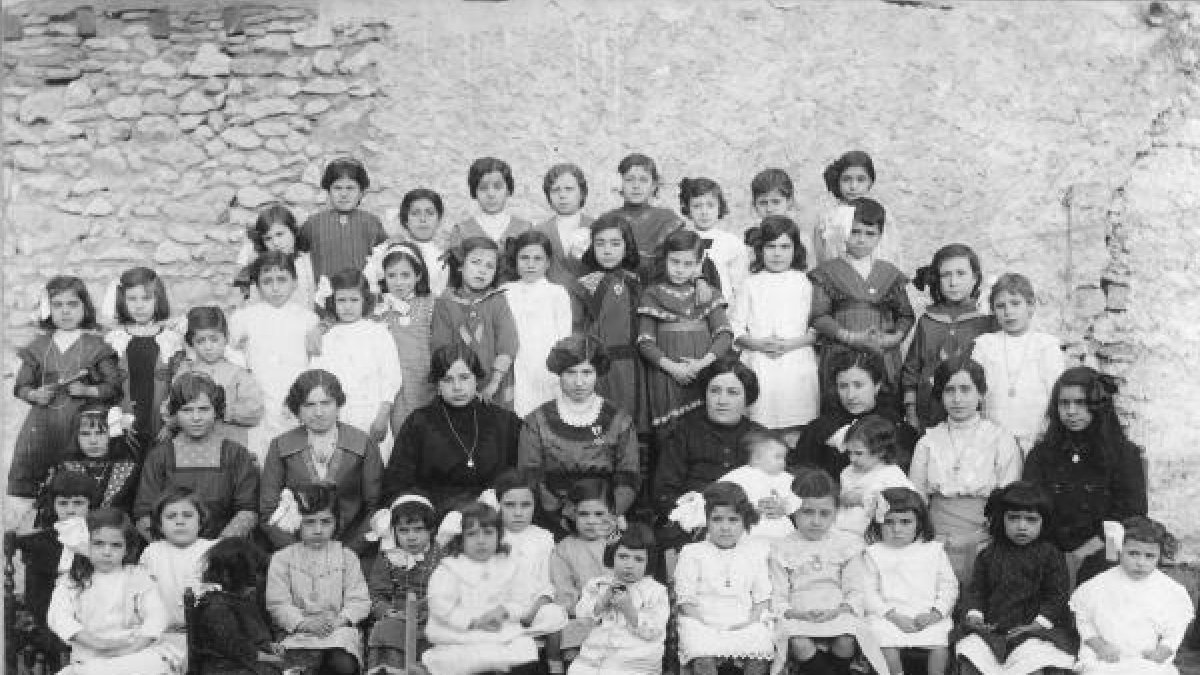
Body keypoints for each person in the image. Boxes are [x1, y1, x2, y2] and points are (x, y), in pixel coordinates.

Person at [9, 275, 122, 519]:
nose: (65, 311)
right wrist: (34, 394)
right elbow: (20, 386)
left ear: (85, 308)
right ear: (48, 309)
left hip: (82, 428)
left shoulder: (97, 346)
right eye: (58, 305)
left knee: (78, 490)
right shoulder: (38, 347)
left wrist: (88, 391)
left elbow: (113, 387)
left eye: (72, 304)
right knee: (36, 491)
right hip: (42, 427)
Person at [1023, 366, 1147, 584]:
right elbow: (1031, 507)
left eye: (1081, 403)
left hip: (1107, 547)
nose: (1071, 411)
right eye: (1064, 403)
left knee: (1104, 570)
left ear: (1098, 406)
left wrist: (1085, 552)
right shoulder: (1040, 455)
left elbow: (1132, 514)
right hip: (1052, 549)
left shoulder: (1123, 454)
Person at [422, 500, 567, 675]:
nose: (481, 541)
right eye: (473, 534)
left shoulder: (507, 566)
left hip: (499, 630)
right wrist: (473, 621)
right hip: (459, 634)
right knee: (472, 658)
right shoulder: (449, 569)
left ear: (499, 536)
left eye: (488, 533)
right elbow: (441, 606)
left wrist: (504, 611)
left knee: (524, 648)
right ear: (461, 539)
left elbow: (519, 600)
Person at [909, 357, 1021, 580]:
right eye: (949, 390)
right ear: (940, 395)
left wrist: (986, 535)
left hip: (985, 538)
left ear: (980, 394)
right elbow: (917, 494)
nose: (957, 399)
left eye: (965, 389)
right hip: (936, 538)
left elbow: (1010, 495)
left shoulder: (1000, 438)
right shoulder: (929, 440)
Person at [518, 335, 640, 533]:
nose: (579, 382)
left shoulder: (619, 419)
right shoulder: (537, 420)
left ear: (597, 373)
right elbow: (531, 477)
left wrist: (606, 514)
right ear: (559, 374)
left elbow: (628, 476)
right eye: (570, 372)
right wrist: (567, 516)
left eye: (587, 372)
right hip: (553, 519)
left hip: (605, 517)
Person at [769, 469, 885, 675]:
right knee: (798, 641)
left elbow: (854, 589)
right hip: (799, 614)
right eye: (807, 512)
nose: (815, 521)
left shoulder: (846, 544)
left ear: (836, 512)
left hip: (838, 612)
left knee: (847, 638)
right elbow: (778, 594)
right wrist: (797, 613)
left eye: (824, 513)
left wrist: (839, 610)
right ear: (794, 511)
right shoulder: (782, 547)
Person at [955, 482, 1077, 675]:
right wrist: (975, 616)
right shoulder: (989, 554)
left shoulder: (1051, 555)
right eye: (1013, 518)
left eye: (1031, 520)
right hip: (992, 630)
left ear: (1044, 522)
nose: (1022, 526)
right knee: (971, 659)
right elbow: (977, 590)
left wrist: (1035, 625)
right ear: (1001, 519)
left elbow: (1056, 597)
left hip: (1036, 630)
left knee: (1032, 666)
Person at [260, 369, 383, 556]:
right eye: (309, 405)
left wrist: (347, 552)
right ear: (297, 409)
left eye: (326, 403)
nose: (318, 412)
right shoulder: (280, 446)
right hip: (295, 552)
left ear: (338, 404)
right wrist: (298, 553)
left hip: (351, 552)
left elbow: (374, 507)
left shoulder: (363, 443)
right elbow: (268, 511)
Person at [809, 198, 914, 412]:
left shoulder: (889, 272)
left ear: (880, 236)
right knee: (840, 409)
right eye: (855, 232)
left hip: (881, 353)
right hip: (841, 351)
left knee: (883, 410)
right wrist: (850, 337)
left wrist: (894, 337)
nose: (861, 240)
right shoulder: (828, 271)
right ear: (843, 232)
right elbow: (819, 316)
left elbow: (906, 315)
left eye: (870, 234)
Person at [654, 358, 768, 554]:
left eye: (732, 392)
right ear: (705, 394)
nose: (722, 400)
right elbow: (664, 492)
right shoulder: (683, 432)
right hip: (693, 525)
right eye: (715, 391)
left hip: (749, 524)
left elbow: (777, 488)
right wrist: (695, 518)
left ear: (747, 398)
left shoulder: (761, 438)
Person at [384, 345, 522, 507]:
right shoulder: (419, 423)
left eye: (464, 378)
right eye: (447, 380)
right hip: (436, 518)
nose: (457, 387)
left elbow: (522, 478)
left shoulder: (504, 421)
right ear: (437, 385)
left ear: (476, 379)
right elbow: (398, 483)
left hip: (492, 520)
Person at [47, 508, 178, 675]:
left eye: (116, 545)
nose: (107, 552)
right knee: (94, 670)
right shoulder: (73, 581)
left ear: (126, 549)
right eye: (98, 543)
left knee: (153, 664)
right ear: (85, 544)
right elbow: (59, 617)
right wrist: (97, 643)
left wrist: (133, 648)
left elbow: (157, 615)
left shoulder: (137, 577)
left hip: (133, 651)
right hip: (91, 653)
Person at [134, 373, 259, 541]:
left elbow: (247, 510)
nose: (196, 418)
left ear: (216, 411)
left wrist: (215, 550)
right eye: (187, 410)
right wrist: (173, 549)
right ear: (175, 413)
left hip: (222, 553)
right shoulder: (159, 456)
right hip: (171, 552)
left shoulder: (236, 454)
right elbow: (144, 514)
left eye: (204, 409)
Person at [266, 482, 371, 675]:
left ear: (336, 522)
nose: (318, 530)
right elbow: (277, 604)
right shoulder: (282, 559)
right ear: (297, 522)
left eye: (326, 521)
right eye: (309, 522)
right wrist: (303, 623)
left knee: (342, 665)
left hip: (337, 630)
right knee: (298, 668)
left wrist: (339, 621)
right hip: (297, 632)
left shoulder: (347, 557)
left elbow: (359, 600)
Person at [1070, 516, 1194, 675]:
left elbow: (1176, 628)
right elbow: (1084, 620)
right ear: (1121, 550)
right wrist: (1099, 646)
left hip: (1147, 658)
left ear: (1159, 556)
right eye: (1133, 553)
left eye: (1149, 556)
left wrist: (1163, 650)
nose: (1141, 562)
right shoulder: (1098, 585)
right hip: (1106, 656)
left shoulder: (1170, 589)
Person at [229, 251, 321, 463]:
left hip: (293, 396)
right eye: (267, 281)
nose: (275, 287)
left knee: (296, 454)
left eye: (282, 280)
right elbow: (234, 358)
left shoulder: (308, 319)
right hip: (258, 396)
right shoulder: (244, 318)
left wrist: (301, 397)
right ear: (257, 286)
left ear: (295, 282)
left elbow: (314, 362)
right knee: (260, 454)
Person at [638, 228, 734, 433]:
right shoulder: (652, 295)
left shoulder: (708, 294)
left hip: (704, 371)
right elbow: (645, 343)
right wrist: (674, 369)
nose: (680, 269)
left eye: (688, 264)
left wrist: (700, 365)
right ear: (664, 260)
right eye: (674, 262)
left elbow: (724, 335)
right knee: (670, 433)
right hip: (665, 373)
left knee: (703, 429)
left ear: (699, 265)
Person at [674, 482, 775, 675]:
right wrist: (707, 625)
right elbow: (686, 600)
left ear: (744, 521)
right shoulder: (692, 552)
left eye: (733, 520)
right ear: (706, 520)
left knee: (760, 652)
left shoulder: (755, 552)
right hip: (702, 621)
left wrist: (750, 622)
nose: (725, 527)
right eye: (717, 519)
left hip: (744, 622)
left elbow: (762, 599)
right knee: (703, 657)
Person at [734, 215, 820, 432]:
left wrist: (790, 345)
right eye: (770, 246)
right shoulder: (751, 283)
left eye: (785, 246)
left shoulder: (806, 283)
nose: (777, 253)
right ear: (760, 249)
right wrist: (758, 344)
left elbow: (816, 326)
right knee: (760, 421)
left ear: (795, 249)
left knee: (797, 422)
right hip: (759, 360)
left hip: (796, 359)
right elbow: (736, 326)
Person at [903, 243, 998, 430]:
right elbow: (911, 369)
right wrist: (911, 411)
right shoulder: (927, 321)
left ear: (975, 278)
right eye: (946, 275)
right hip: (929, 410)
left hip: (972, 411)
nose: (953, 282)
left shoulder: (987, 321)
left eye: (961, 274)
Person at [862, 488, 956, 675]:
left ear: (919, 523)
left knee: (939, 644)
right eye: (889, 522)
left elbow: (949, 586)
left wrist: (936, 614)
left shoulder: (934, 551)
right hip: (889, 615)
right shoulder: (874, 553)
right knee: (884, 640)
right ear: (878, 523)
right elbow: (867, 591)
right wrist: (893, 616)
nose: (897, 529)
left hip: (927, 614)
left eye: (905, 522)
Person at [972, 273, 1065, 455]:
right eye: (1000, 306)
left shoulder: (1046, 346)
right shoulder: (985, 345)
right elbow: (976, 392)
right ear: (993, 310)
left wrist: (1044, 433)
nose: (1008, 312)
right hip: (994, 438)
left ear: (1030, 306)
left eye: (1015, 303)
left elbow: (1056, 394)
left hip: (1036, 437)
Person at [312, 269, 403, 453]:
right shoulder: (327, 337)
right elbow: (318, 380)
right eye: (341, 300)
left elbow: (391, 377)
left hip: (372, 414)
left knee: (373, 467)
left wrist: (382, 417)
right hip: (339, 418)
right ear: (332, 302)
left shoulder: (378, 333)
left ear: (365, 301)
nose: (348, 307)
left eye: (354, 300)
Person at [570, 213, 647, 430]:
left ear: (627, 246)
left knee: (631, 420)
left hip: (634, 363)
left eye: (615, 244)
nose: (607, 250)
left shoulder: (636, 280)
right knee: (600, 420)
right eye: (600, 243)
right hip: (599, 363)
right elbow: (578, 326)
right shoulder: (586, 284)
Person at [791, 349, 919, 478]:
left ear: (877, 386)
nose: (851, 395)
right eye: (843, 386)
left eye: (858, 385)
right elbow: (801, 475)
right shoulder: (819, 429)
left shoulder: (895, 426)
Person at [494, 470, 571, 673]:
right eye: (510, 505)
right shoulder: (491, 538)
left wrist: (533, 611)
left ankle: (554, 661)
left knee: (555, 614)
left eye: (525, 505)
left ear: (534, 506)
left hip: (534, 608)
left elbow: (548, 583)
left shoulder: (543, 538)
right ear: (498, 505)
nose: (518, 513)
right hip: (502, 609)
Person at [567, 523, 669, 675]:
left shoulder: (655, 591)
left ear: (649, 562)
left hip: (635, 662)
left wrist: (629, 610)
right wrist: (601, 602)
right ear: (612, 556)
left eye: (638, 559)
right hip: (594, 658)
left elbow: (654, 631)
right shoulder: (598, 584)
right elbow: (582, 618)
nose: (629, 565)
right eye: (623, 557)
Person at [102, 266, 184, 452]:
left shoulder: (171, 339)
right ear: (123, 300)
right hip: (125, 422)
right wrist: (117, 421)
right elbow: (107, 384)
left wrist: (172, 424)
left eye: (146, 298)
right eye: (132, 299)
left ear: (158, 299)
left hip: (161, 424)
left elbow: (180, 384)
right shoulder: (115, 339)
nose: (139, 306)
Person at [431, 236, 520, 408]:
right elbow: (440, 348)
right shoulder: (446, 303)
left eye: (489, 266)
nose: (482, 270)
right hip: (457, 387)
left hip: (494, 386)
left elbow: (508, 344)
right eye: (476, 262)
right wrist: (457, 385)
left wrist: (493, 383)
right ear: (460, 265)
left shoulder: (497, 301)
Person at [17, 470, 95, 659]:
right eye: (63, 503)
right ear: (53, 505)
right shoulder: (42, 542)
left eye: (78, 503)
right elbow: (35, 594)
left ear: (90, 505)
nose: (70, 510)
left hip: (92, 606)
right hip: (51, 609)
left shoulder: (99, 538)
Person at [365, 494, 445, 674]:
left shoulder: (440, 554)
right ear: (394, 531)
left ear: (431, 530)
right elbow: (375, 594)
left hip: (433, 616)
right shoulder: (387, 556)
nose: (411, 537)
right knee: (385, 629)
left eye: (418, 529)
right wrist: (388, 611)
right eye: (404, 530)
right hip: (398, 617)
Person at [366, 241, 438, 427]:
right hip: (392, 386)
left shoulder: (430, 304)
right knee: (398, 434)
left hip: (424, 383)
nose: (398, 282)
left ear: (418, 275)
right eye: (392, 275)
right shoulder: (377, 308)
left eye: (405, 275)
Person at [502, 230, 573, 417]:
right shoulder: (506, 291)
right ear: (515, 260)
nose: (530, 265)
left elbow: (564, 339)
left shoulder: (557, 293)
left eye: (537, 259)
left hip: (546, 367)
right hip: (515, 364)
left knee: (546, 416)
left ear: (548, 262)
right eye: (524, 258)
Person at [171, 306, 264, 448]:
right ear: (191, 343)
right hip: (191, 449)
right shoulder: (185, 371)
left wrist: (222, 410)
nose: (208, 347)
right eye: (200, 341)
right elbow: (171, 407)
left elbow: (254, 412)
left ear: (225, 338)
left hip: (228, 446)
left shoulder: (239, 374)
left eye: (214, 339)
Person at [190, 537, 285, 675]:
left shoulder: (242, 598)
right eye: (254, 575)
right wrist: (267, 657)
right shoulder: (216, 606)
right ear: (233, 575)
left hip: (247, 656)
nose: (258, 581)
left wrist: (268, 646)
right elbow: (233, 646)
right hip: (224, 665)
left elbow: (250, 633)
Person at [139, 487, 217, 654]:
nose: (180, 521)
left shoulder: (212, 550)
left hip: (206, 635)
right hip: (163, 634)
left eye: (187, 515)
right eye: (171, 516)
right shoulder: (152, 552)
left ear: (201, 521)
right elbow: (142, 593)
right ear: (159, 525)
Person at [549, 479, 618, 663]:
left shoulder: (618, 544)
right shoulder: (564, 549)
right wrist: (586, 610)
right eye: (584, 514)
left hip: (618, 613)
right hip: (582, 616)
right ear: (573, 514)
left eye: (599, 514)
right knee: (577, 653)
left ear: (611, 514)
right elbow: (564, 593)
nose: (591, 521)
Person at [36, 406, 138, 524]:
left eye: (100, 433)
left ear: (112, 435)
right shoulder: (63, 468)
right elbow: (49, 512)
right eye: (85, 434)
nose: (93, 441)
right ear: (76, 437)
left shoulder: (129, 469)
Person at [598, 153, 684, 282]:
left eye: (643, 180)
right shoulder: (608, 219)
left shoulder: (668, 220)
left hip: (657, 291)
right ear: (619, 183)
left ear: (654, 185)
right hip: (616, 289)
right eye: (629, 179)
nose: (636, 186)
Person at [300, 157, 387, 280]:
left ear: (361, 192)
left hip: (362, 295)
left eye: (350, 188)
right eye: (337, 188)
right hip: (324, 295)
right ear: (328, 191)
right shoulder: (313, 224)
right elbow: (299, 257)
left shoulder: (372, 222)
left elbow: (384, 259)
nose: (344, 194)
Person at [834, 415, 915, 539]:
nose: (852, 458)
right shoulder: (848, 472)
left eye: (858, 453)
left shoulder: (892, 475)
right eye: (849, 452)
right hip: (841, 532)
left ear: (881, 451)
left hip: (872, 537)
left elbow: (903, 504)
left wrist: (862, 498)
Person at [814, 151, 900, 266]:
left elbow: (892, 253)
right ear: (838, 181)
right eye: (846, 179)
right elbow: (820, 257)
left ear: (870, 182)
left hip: (875, 277)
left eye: (861, 179)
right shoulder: (827, 218)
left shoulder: (882, 214)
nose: (853, 186)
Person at [711, 431, 799, 540]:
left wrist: (785, 507)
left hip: (779, 528)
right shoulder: (738, 476)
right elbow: (715, 495)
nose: (783, 462)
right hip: (748, 530)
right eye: (778, 457)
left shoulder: (786, 478)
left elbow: (798, 498)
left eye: (784, 458)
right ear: (757, 458)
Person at [680, 176, 747, 310]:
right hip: (690, 309)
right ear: (688, 209)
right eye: (697, 206)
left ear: (719, 207)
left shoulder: (732, 243)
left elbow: (739, 285)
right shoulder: (682, 239)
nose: (704, 212)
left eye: (710, 205)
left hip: (724, 309)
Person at [234, 203, 316, 309]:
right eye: (268, 238)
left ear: (293, 231)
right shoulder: (257, 265)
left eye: (280, 234)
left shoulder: (307, 261)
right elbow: (245, 303)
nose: (276, 243)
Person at [447, 156, 533, 248]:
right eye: (483, 188)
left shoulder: (525, 229)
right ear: (474, 192)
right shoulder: (461, 231)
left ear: (508, 190)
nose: (491, 194)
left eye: (498, 187)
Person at [536, 163, 593, 282]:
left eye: (569, 189)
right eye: (555, 190)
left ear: (582, 193)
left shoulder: (596, 227)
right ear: (548, 196)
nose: (562, 195)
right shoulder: (539, 231)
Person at [394, 188, 449, 297]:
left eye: (430, 213)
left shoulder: (445, 257)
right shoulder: (392, 250)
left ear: (439, 219)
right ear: (405, 220)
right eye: (415, 213)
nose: (423, 219)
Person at [749, 168, 807, 252]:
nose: (769, 209)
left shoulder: (802, 240)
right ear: (754, 205)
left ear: (790, 202)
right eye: (763, 203)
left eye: (776, 202)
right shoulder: (750, 243)